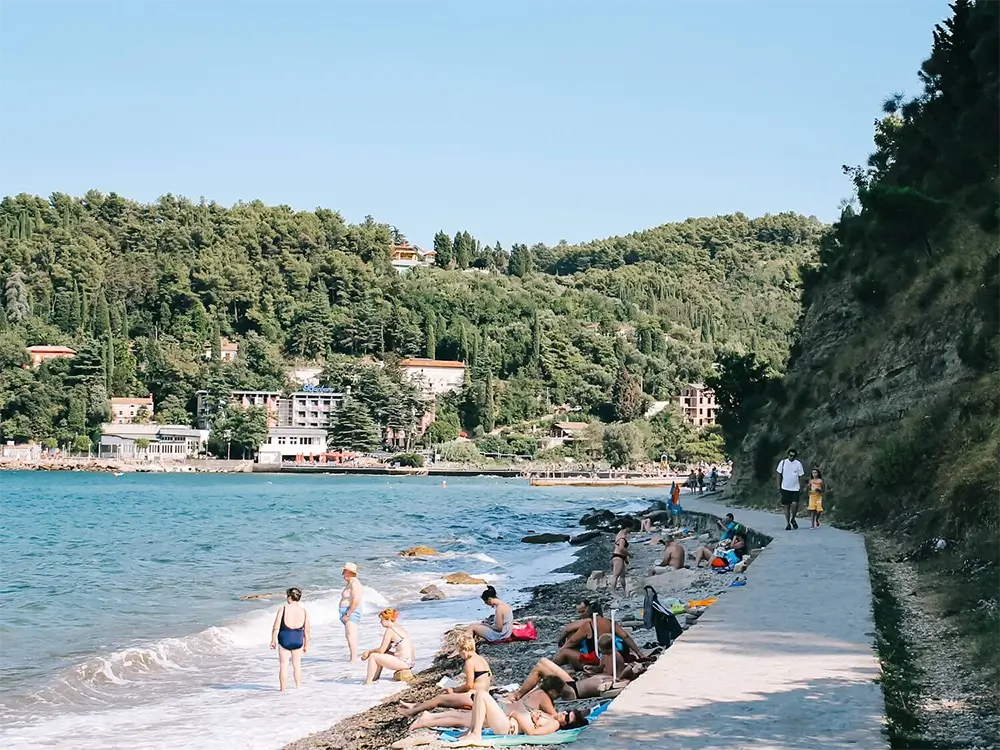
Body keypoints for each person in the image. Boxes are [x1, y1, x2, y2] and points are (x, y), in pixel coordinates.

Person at [410, 689, 588, 745]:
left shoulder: (554, 726)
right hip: (508, 721)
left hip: (509, 728)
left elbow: (532, 734)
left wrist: (518, 716)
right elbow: (534, 723)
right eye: (566, 713)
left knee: (482, 695)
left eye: (566, 718)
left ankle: (475, 734)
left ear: (565, 725)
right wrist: (533, 714)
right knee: (476, 703)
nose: (562, 715)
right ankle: (473, 732)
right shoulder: (551, 718)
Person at [399, 635, 491, 715]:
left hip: (474, 697)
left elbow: (469, 685)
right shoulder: (480, 659)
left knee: (440, 698)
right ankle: (415, 706)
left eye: (459, 651)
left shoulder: (470, 662)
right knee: (443, 697)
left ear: (463, 649)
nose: (459, 654)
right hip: (482, 695)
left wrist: (454, 690)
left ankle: (411, 712)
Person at [511, 653, 638, 703]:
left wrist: (629, 671)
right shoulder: (610, 675)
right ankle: (521, 694)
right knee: (543, 661)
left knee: (540, 669)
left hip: (572, 692)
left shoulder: (619, 681)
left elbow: (626, 675)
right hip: (573, 683)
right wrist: (593, 670)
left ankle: (518, 695)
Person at [554, 603, 645, 668]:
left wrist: (560, 651)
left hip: (599, 658)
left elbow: (572, 641)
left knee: (565, 652)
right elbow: (625, 636)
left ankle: (550, 667)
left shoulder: (588, 626)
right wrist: (639, 653)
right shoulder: (609, 622)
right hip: (618, 655)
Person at [269, 587, 309, 691]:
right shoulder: (304, 611)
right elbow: (307, 631)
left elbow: (276, 627)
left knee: (283, 665)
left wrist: (273, 641)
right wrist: (306, 645)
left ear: (289, 597)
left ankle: (282, 689)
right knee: (297, 665)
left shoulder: (283, 609)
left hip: (285, 638)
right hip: (298, 639)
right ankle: (298, 687)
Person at [362, 608, 415, 684]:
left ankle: (368, 682)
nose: (380, 622)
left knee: (373, 656)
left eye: (382, 620)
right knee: (380, 655)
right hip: (410, 661)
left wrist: (369, 652)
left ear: (388, 619)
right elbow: (385, 650)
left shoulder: (390, 630)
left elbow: (381, 650)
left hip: (404, 661)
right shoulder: (399, 628)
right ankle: (374, 678)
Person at [776, 448, 805, 530]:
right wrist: (778, 486)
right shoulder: (783, 462)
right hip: (785, 487)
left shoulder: (798, 464)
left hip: (795, 488)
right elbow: (778, 474)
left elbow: (801, 476)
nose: (791, 457)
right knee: (786, 506)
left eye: (793, 456)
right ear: (788, 455)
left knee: (795, 504)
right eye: (790, 455)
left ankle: (793, 519)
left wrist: (801, 487)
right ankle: (788, 523)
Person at [340, 562, 363, 662]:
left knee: (351, 634)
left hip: (351, 611)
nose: (342, 573)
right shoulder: (350, 583)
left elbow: (356, 600)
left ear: (349, 572)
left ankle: (353, 659)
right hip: (346, 611)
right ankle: (352, 657)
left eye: (344, 571)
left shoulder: (355, 583)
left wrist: (348, 613)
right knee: (348, 635)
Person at [610, 518, 631, 597]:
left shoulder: (619, 533)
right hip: (618, 557)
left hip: (620, 557)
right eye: (630, 528)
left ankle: (624, 591)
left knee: (622, 575)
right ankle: (613, 593)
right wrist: (629, 554)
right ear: (627, 527)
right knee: (616, 575)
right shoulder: (622, 537)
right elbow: (621, 549)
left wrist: (625, 558)